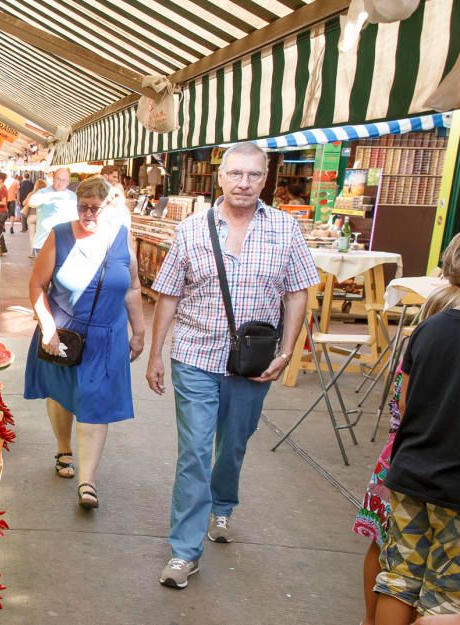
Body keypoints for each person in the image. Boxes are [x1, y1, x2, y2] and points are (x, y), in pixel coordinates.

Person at [146, 141, 319, 590]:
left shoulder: (285, 229)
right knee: (195, 452)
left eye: (253, 175)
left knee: (234, 444)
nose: (243, 183)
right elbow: (169, 292)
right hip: (196, 355)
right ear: (220, 177)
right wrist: (156, 353)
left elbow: (298, 291)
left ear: (266, 179)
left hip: (253, 361)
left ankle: (222, 504)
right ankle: (185, 551)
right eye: (235, 174)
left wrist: (286, 350)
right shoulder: (190, 229)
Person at [355, 236, 460, 625]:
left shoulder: (429, 330)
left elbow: (405, 403)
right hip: (453, 485)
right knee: (447, 597)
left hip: (411, 471)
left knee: (398, 577)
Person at [24, 177, 145, 509]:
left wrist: (139, 331)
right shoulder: (60, 235)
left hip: (108, 337)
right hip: (64, 334)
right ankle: (64, 447)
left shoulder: (123, 238)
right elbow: (37, 285)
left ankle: (87, 481)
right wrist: (47, 327)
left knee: (95, 403)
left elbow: (133, 287)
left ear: (111, 208)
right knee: (62, 397)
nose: (89, 213)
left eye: (96, 207)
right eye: (83, 207)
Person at [27, 168, 77, 259]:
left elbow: (75, 219)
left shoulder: (72, 196)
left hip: (65, 244)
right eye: (58, 179)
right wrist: (55, 195)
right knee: (42, 273)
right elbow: (31, 202)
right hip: (43, 243)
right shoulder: (43, 192)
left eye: (64, 180)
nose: (60, 182)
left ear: (68, 181)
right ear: (53, 179)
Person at [99, 166, 131, 232]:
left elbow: (123, 203)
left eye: (117, 177)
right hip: (105, 222)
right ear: (105, 176)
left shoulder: (118, 187)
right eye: (114, 177)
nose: (116, 180)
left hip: (119, 221)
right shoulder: (99, 189)